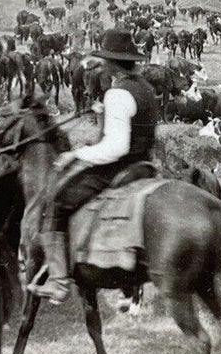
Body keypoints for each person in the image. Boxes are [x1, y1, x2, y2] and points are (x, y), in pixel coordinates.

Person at [26, 28, 159, 303]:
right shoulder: (145, 87)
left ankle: (59, 281)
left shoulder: (118, 93)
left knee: (58, 200)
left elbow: (116, 148)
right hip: (145, 164)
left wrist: (78, 155)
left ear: (111, 63)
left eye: (104, 61)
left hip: (118, 167)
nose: (101, 65)